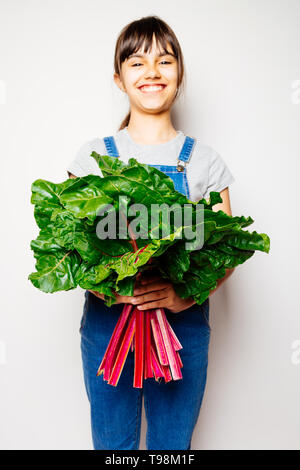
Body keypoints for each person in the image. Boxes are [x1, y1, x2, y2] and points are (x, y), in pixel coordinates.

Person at [67, 15, 236, 450]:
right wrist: (111, 289)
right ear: (119, 78)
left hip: (182, 328)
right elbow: (71, 246)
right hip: (110, 326)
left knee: (171, 449)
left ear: (179, 74)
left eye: (165, 60)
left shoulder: (204, 162)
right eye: (137, 62)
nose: (152, 72)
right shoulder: (93, 159)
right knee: (113, 449)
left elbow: (226, 251)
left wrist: (186, 296)